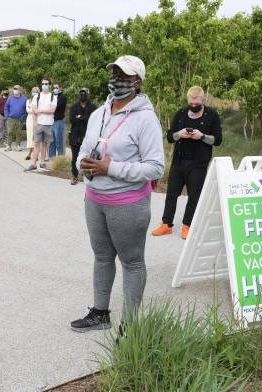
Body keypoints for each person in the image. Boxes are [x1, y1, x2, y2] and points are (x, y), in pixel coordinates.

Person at [70, 55, 164, 333]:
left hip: (127, 204)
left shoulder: (146, 119)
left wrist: (111, 167)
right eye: (114, 73)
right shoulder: (99, 113)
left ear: (138, 82)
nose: (117, 79)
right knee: (101, 257)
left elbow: (156, 167)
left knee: (132, 262)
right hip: (95, 199)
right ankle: (100, 313)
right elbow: (84, 151)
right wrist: (83, 165)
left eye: (124, 75)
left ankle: (131, 325)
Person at [151, 86, 222, 240]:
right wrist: (179, 134)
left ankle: (187, 225)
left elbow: (217, 140)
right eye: (190, 104)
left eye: (196, 104)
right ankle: (166, 224)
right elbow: (170, 136)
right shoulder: (181, 114)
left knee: (194, 196)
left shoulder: (212, 116)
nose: (193, 107)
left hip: (198, 164)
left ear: (203, 100)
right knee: (171, 194)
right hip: (179, 161)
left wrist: (202, 136)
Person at [25, 78, 57, 171]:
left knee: (45, 144)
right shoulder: (37, 96)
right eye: (43, 83)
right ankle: (33, 164)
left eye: (46, 84)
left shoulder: (53, 97)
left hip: (49, 124)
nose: (44, 85)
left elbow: (52, 110)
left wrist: (40, 110)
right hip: (39, 124)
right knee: (36, 144)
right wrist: (43, 111)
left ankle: (42, 162)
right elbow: (34, 110)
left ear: (49, 85)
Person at [68, 87, 97, 185]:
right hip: (75, 136)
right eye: (81, 93)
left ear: (88, 95)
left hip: (88, 136)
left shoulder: (93, 107)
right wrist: (84, 118)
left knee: (89, 158)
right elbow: (72, 120)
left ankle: (88, 176)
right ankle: (74, 176)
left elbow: (93, 120)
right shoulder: (74, 107)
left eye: (84, 93)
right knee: (75, 158)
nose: (82, 95)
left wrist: (79, 117)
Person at [4, 85, 27, 151]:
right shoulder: (10, 98)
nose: (15, 90)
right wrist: (7, 116)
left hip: (20, 119)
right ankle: (9, 146)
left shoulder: (24, 98)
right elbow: (6, 107)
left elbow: (26, 108)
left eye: (16, 89)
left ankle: (18, 145)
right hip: (11, 118)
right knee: (10, 132)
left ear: (20, 90)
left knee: (18, 132)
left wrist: (24, 117)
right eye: (14, 89)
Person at [49, 82, 67, 158]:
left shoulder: (62, 97)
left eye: (56, 88)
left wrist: (50, 106)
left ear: (60, 88)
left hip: (58, 122)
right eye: (54, 88)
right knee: (51, 142)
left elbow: (56, 107)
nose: (55, 89)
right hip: (51, 121)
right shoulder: (52, 96)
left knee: (59, 141)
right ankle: (52, 158)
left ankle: (60, 159)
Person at [25, 87, 40, 160]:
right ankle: (30, 152)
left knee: (36, 136)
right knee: (30, 135)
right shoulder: (28, 100)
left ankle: (34, 153)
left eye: (35, 91)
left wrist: (33, 109)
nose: (34, 93)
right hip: (30, 119)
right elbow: (28, 110)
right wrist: (34, 110)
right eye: (33, 91)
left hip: (38, 119)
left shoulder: (40, 100)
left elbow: (39, 110)